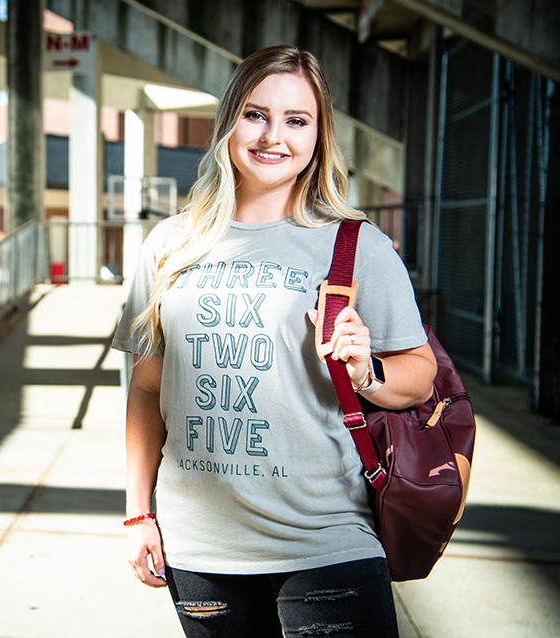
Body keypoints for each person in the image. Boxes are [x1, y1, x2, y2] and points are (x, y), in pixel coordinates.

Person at [111, 45, 436, 637]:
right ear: (229, 121)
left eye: (296, 120)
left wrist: (366, 371)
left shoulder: (356, 245)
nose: (273, 136)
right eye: (256, 114)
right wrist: (139, 512)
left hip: (325, 535)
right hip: (202, 546)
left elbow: (420, 375)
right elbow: (147, 388)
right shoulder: (169, 245)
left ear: (319, 135)